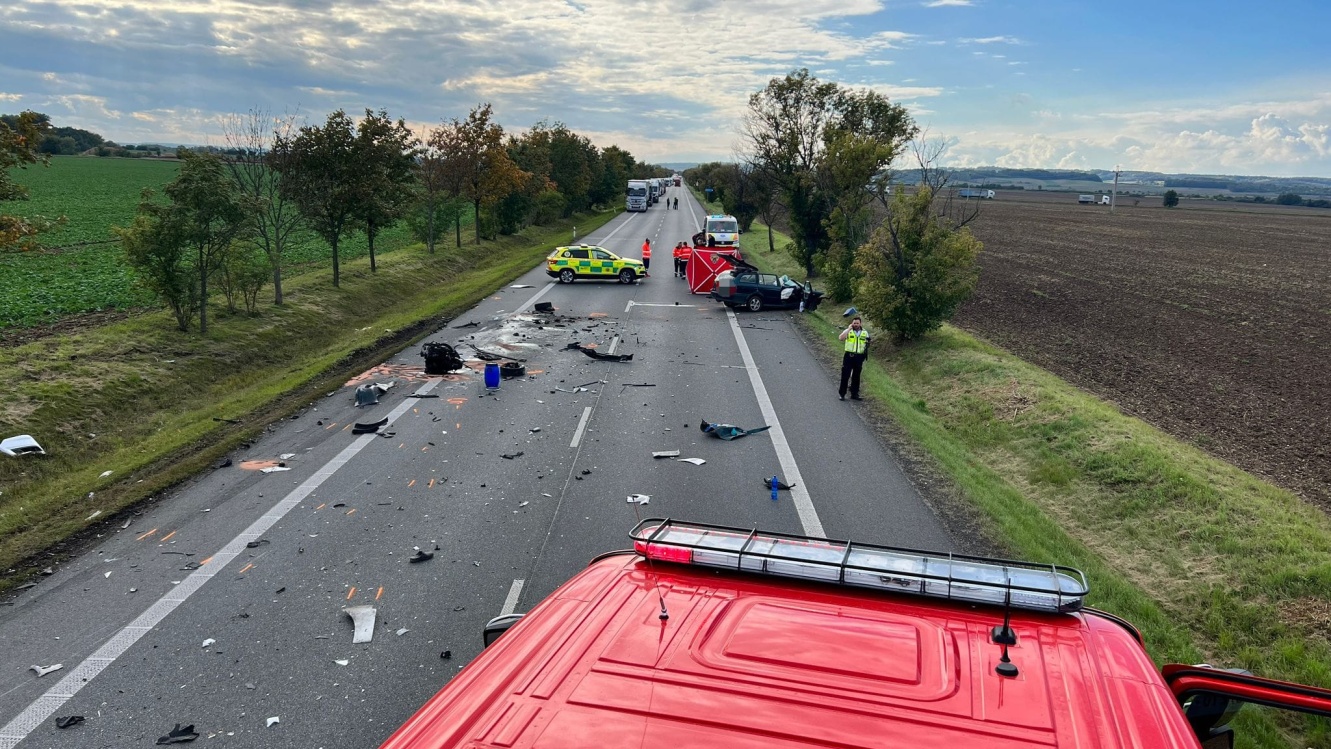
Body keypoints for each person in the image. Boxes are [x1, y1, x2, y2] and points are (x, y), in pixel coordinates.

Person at [838, 317, 870, 401]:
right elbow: (841, 338)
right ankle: (842, 394)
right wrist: (848, 329)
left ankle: (854, 394)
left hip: (859, 357)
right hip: (849, 356)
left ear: (860, 324)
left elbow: (868, 342)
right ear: (852, 323)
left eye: (857, 323)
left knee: (856, 376)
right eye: (854, 323)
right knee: (845, 375)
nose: (856, 325)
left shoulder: (865, 332)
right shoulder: (849, 331)